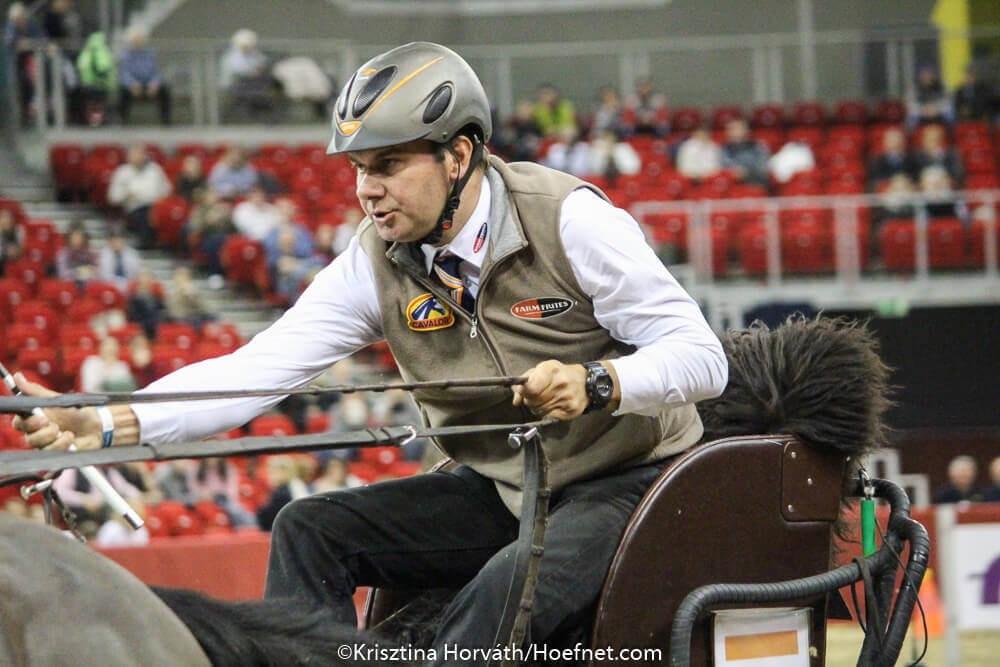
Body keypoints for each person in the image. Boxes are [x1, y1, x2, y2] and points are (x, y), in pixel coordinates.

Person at [13, 42, 727, 662]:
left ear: (458, 156)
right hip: (504, 487)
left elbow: (703, 356)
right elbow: (255, 371)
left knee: (499, 593)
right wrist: (104, 421)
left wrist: (596, 381)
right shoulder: (372, 262)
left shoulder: (572, 220)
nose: (365, 190)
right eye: (358, 167)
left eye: (387, 164)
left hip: (625, 482)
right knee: (307, 529)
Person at [107, 143, 172, 248]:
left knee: (166, 213)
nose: (136, 157)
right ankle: (146, 244)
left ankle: (165, 243)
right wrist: (126, 195)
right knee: (144, 216)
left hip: (155, 206)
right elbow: (113, 197)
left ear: (144, 155)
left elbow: (167, 190)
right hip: (133, 208)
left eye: (139, 154)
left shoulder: (155, 170)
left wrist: (161, 200)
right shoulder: (122, 172)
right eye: (133, 154)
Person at [117, 24, 171, 125]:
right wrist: (132, 84)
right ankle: (122, 120)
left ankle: (166, 121)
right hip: (133, 86)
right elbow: (124, 73)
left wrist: (154, 83)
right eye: (136, 40)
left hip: (148, 85)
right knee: (122, 91)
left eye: (141, 39)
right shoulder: (126, 55)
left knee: (164, 89)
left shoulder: (150, 54)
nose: (138, 42)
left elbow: (156, 72)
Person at [720, 118, 770, 187]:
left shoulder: (759, 147)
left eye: (737, 129)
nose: (733, 133)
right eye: (730, 129)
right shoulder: (723, 149)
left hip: (755, 184)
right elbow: (721, 169)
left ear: (747, 130)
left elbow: (764, 169)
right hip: (731, 186)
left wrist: (747, 172)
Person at [97, 226, 142, 290]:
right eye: (115, 241)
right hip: (110, 285)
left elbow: (136, 273)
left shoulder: (132, 254)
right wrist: (118, 284)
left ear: (124, 241)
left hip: (129, 284)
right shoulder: (103, 254)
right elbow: (105, 275)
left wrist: (128, 283)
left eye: (120, 241)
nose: (117, 243)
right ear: (110, 241)